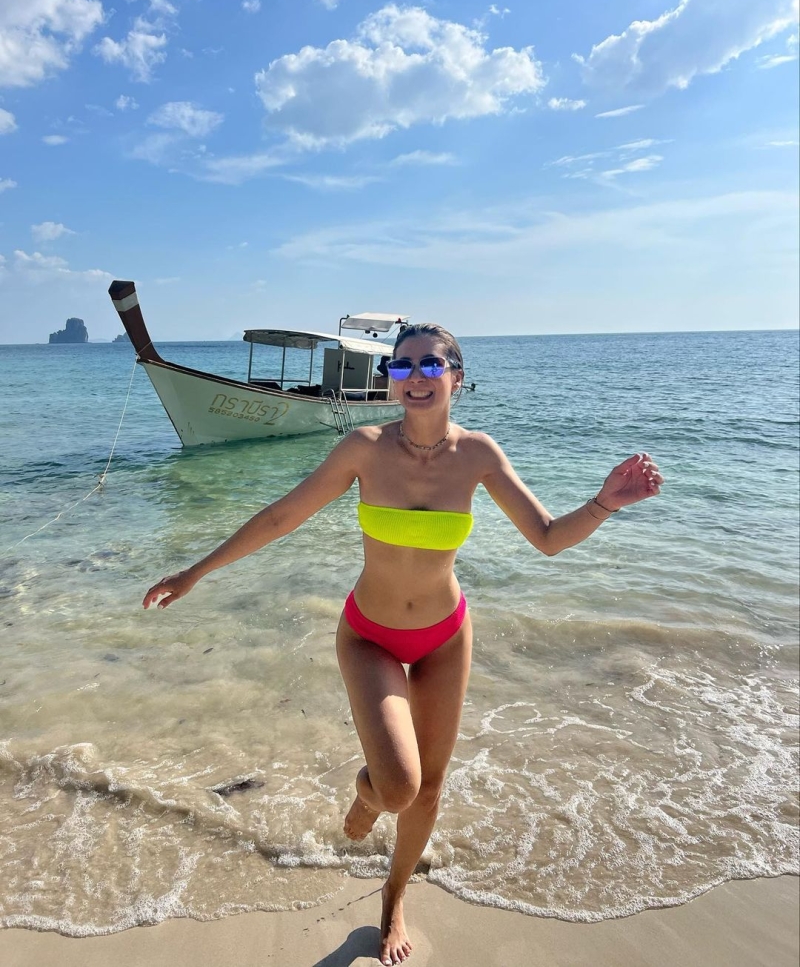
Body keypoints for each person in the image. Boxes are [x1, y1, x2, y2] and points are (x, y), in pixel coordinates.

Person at [143, 323, 663, 966]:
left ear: (456, 378)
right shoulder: (362, 448)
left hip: (445, 636)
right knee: (397, 789)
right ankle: (369, 796)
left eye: (430, 364)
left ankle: (394, 898)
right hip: (371, 635)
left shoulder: (479, 455)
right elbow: (281, 516)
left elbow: (549, 538)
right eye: (402, 365)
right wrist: (196, 571)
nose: (415, 376)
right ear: (389, 380)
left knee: (430, 788)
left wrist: (605, 502)